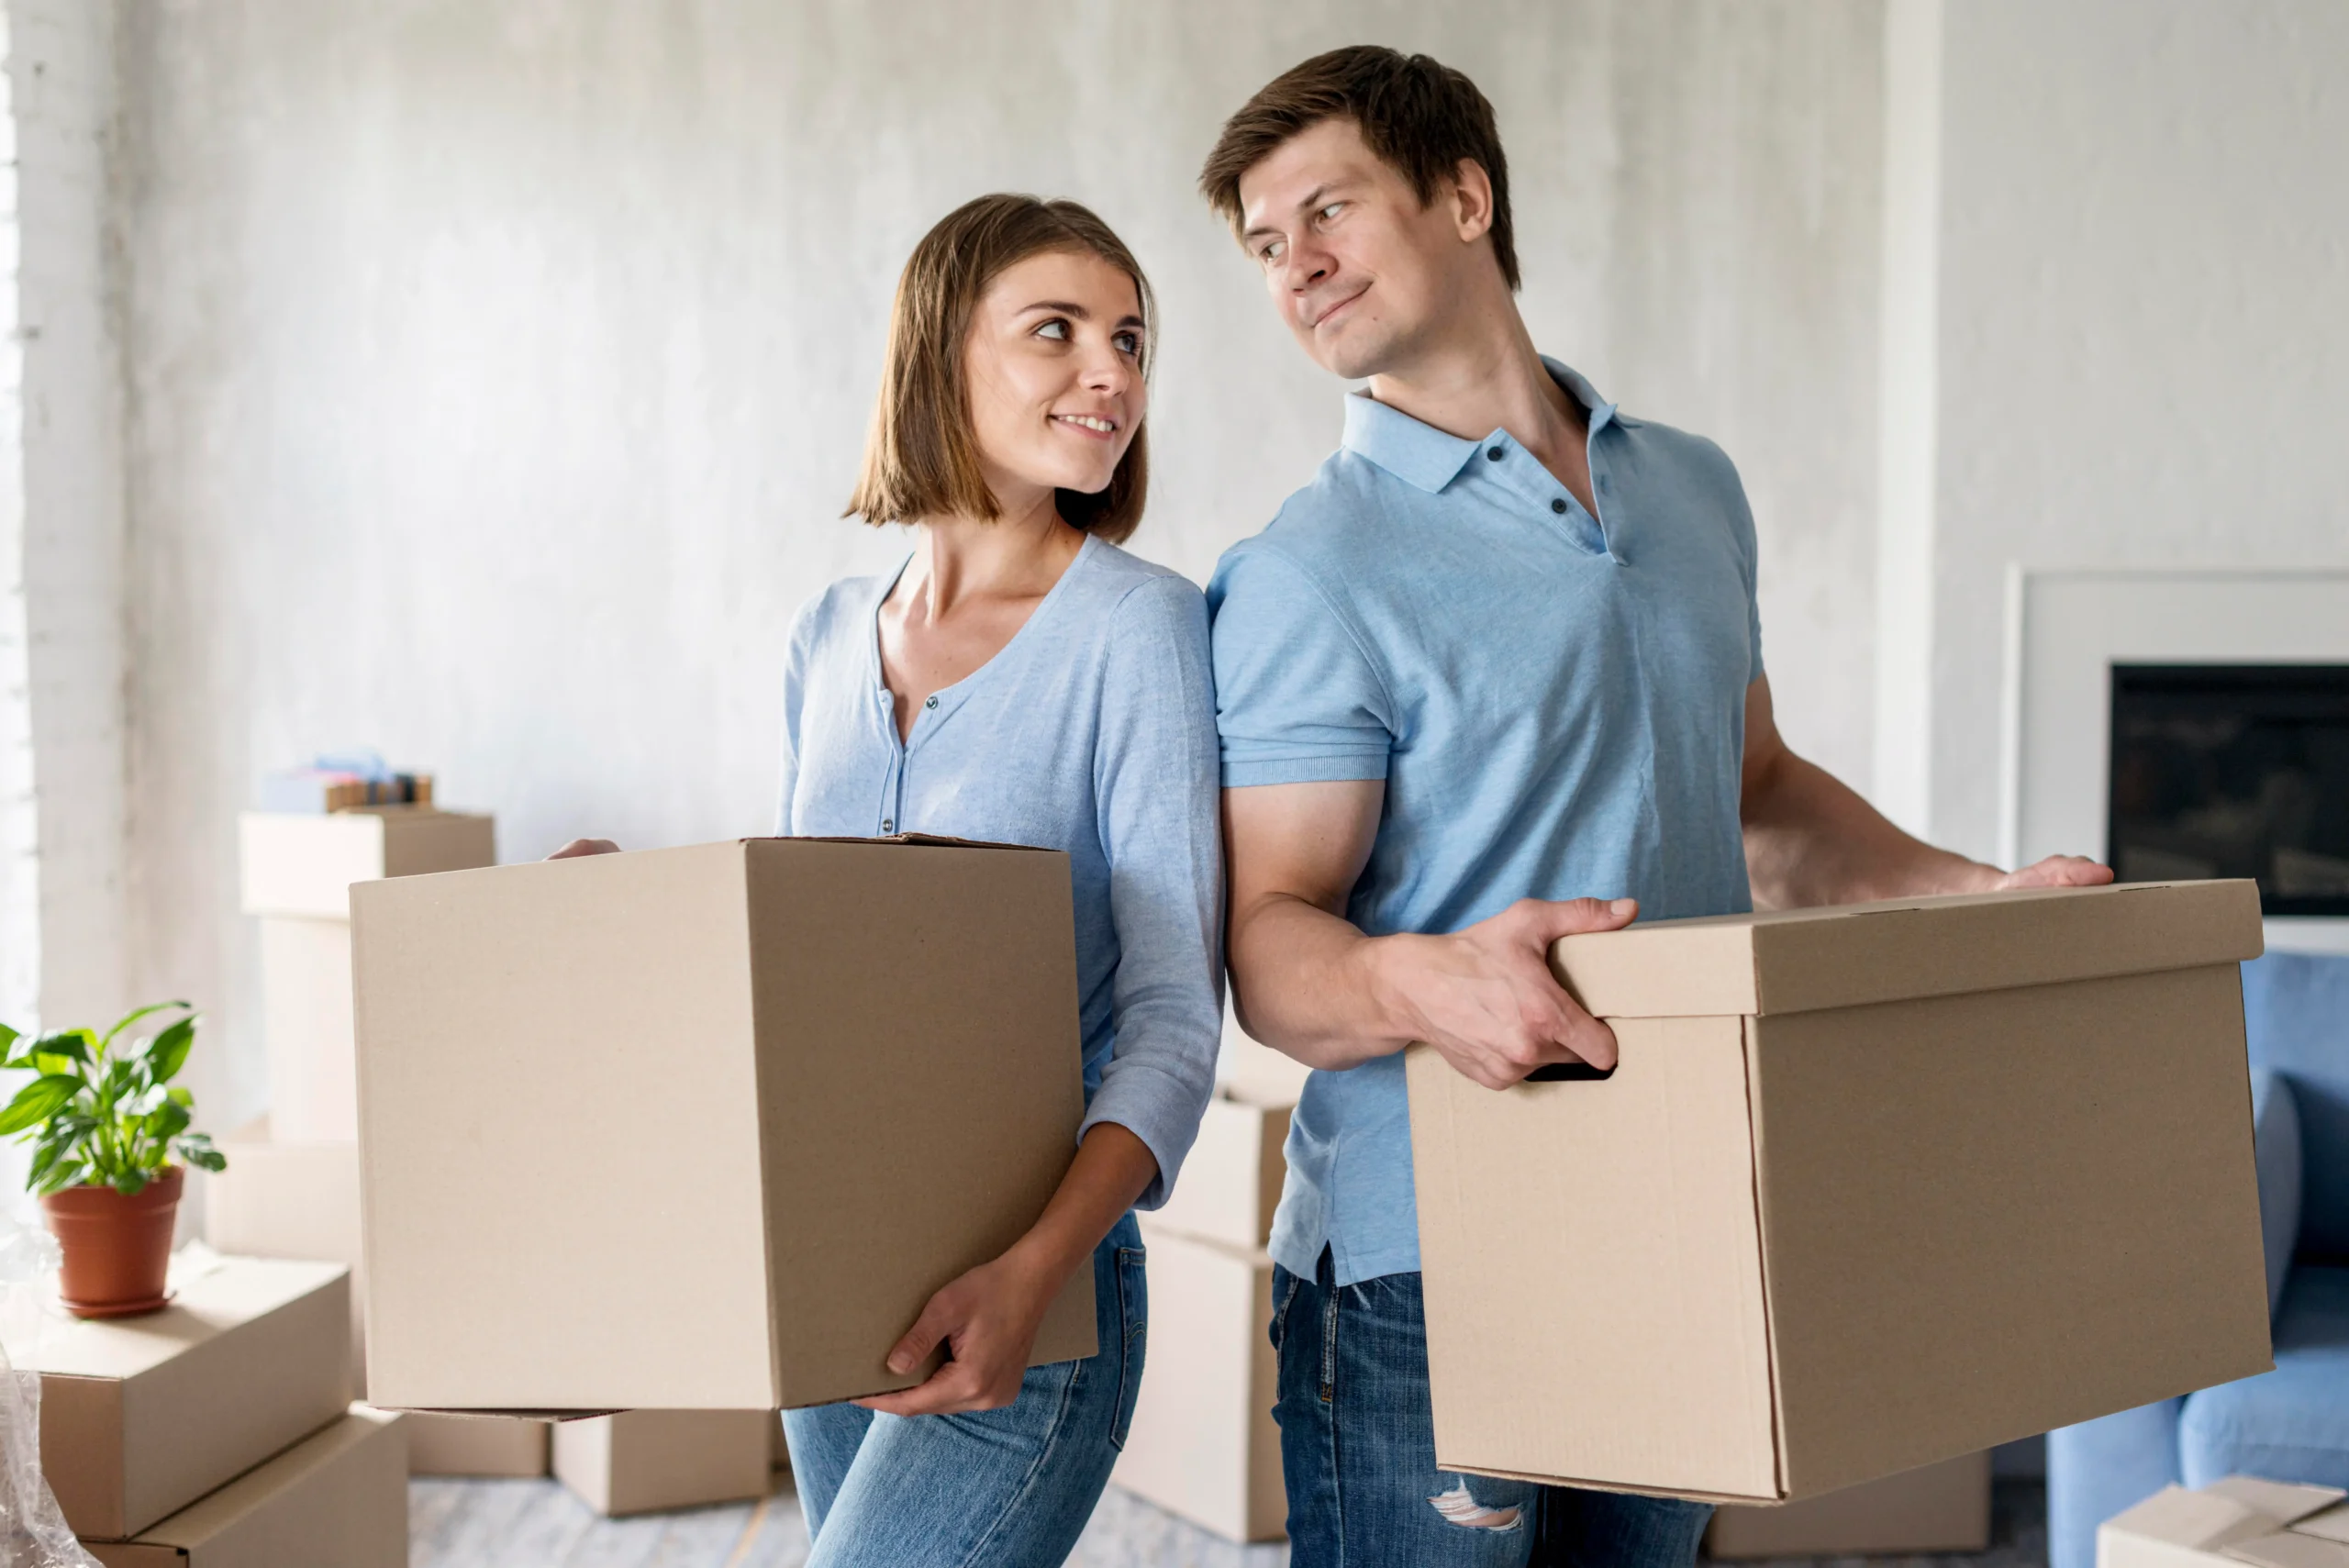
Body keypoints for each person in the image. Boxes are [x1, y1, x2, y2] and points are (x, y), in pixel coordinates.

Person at [1195, 47, 2110, 1568]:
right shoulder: (1310, 568)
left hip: (1682, 1205)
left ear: (1465, 196)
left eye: (1328, 212)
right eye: (1266, 247)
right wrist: (1437, 982)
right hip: (1433, 1262)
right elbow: (1271, 946)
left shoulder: (1694, 490)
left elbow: (1756, 791)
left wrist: (1976, 895)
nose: (1298, 269)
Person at [553, 193, 1221, 1567]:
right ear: (940, 354)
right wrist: (631, 913)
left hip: (1030, 1300)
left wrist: (1035, 1277)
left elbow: (1170, 1022)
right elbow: (808, 971)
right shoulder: (825, 639)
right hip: (825, 1275)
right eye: (1058, 331)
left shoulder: (1138, 630)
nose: (1114, 374)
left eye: (1132, 341)